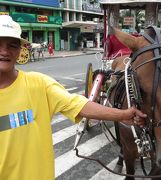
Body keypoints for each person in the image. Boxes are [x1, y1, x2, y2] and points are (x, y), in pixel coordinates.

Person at [0, 15, 147, 180]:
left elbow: (77, 104)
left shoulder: (38, 83)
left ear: (20, 51)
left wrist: (124, 114)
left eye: (12, 45)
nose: (4, 52)